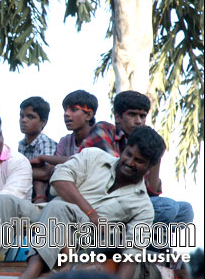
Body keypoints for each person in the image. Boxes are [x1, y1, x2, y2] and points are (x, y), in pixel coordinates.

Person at [0, 126, 167, 279]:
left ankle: (30, 274)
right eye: (128, 154)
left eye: (139, 161)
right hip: (47, 220)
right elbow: (59, 178)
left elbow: (130, 255)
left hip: (84, 242)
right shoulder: (94, 156)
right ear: (124, 149)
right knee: (2, 201)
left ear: (150, 166)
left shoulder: (143, 207)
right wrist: (92, 214)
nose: (130, 162)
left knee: (59, 206)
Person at [79, 90, 194, 226]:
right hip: (101, 201)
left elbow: (151, 192)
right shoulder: (105, 130)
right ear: (118, 117)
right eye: (132, 115)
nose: (138, 121)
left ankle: (143, 239)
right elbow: (118, 172)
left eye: (142, 116)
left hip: (131, 203)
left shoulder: (143, 143)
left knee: (185, 210)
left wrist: (156, 158)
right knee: (168, 208)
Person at [18, 96, 57, 203]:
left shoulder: (45, 142)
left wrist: (16, 172)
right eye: (21, 116)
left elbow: (45, 173)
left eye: (30, 117)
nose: (23, 120)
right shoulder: (21, 144)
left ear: (43, 122)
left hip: (47, 195)